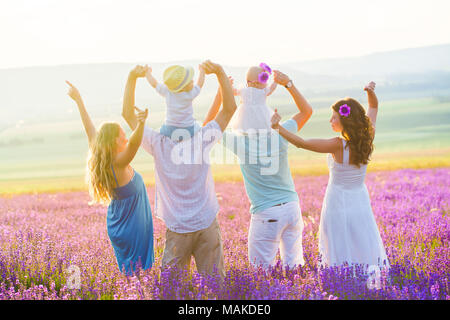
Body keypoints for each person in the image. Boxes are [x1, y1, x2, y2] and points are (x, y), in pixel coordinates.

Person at [122, 61, 237, 280]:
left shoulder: (158, 143)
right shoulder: (203, 138)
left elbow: (127, 114)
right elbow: (229, 109)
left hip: (177, 228)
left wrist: (132, 77)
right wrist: (220, 72)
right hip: (206, 224)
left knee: (173, 291)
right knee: (215, 288)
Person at [270, 82, 390, 270]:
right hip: (360, 201)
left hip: (338, 202)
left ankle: (342, 279)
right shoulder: (367, 138)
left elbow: (302, 143)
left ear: (345, 121)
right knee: (361, 239)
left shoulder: (337, 145)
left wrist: (278, 127)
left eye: (333, 117)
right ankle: (367, 278)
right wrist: (370, 92)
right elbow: (373, 107)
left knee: (338, 241)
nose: (330, 121)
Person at [204, 69, 313, 270]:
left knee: (261, 275)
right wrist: (288, 84)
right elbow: (306, 112)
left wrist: (221, 94)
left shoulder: (239, 142)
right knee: (296, 271)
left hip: (266, 214)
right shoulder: (280, 132)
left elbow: (207, 127)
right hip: (292, 208)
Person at [66, 80, 154, 275]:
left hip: (119, 223)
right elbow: (134, 144)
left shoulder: (104, 158)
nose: (126, 137)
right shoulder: (119, 162)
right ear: (114, 140)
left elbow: (89, 128)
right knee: (140, 279)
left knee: (132, 277)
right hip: (133, 227)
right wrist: (141, 123)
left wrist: (79, 100)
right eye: (123, 134)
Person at [145, 64, 205, 140]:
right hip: (188, 129)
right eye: (190, 81)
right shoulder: (190, 93)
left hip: (169, 129)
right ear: (184, 86)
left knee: (160, 131)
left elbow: (154, 84)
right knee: (198, 127)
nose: (193, 81)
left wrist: (148, 73)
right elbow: (200, 83)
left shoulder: (167, 91)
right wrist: (202, 71)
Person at [229, 63, 277, 132]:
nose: (266, 83)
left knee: (244, 130)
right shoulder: (263, 91)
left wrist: (229, 85)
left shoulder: (243, 90)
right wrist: (275, 81)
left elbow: (234, 92)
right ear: (256, 83)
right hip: (261, 115)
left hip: (245, 118)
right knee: (262, 129)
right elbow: (271, 89)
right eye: (265, 79)